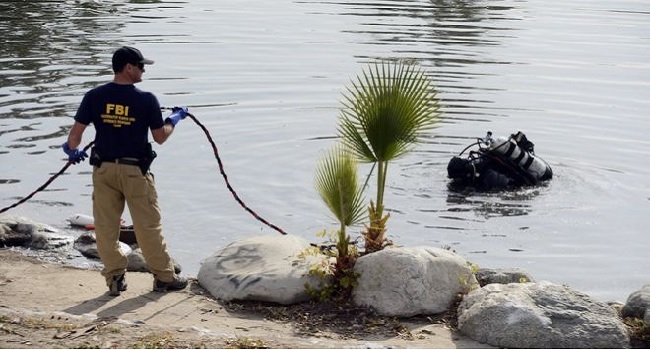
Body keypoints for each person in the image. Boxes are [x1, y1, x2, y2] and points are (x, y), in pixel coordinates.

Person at [62, 46, 189, 296]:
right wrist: (174, 119)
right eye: (141, 66)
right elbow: (160, 137)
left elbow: (75, 137)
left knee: (106, 228)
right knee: (148, 227)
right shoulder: (146, 99)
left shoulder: (94, 96)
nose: (143, 70)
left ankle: (115, 279)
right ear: (128, 68)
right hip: (134, 173)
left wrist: (71, 151)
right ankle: (164, 278)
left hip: (104, 171)